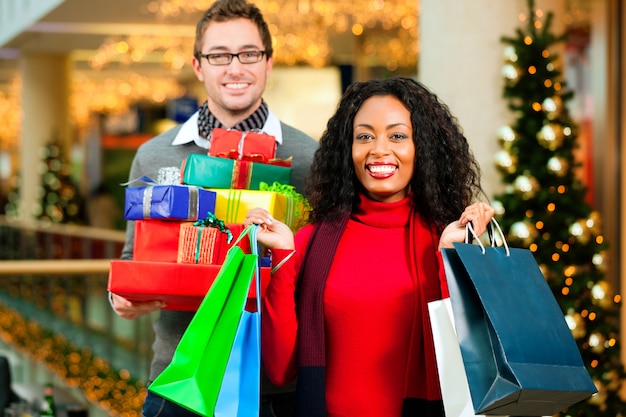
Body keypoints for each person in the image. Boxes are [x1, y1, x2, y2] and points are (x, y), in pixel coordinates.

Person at [110, 1, 318, 416]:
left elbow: (317, 272)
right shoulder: (154, 157)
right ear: (198, 65)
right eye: (220, 55)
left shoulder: (310, 158)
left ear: (268, 62)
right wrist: (124, 295)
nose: (235, 67)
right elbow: (134, 257)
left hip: (274, 388)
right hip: (178, 379)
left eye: (248, 54)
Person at [245, 77, 496, 417]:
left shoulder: (446, 238)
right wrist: (283, 258)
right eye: (364, 136)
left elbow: (471, 363)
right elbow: (279, 370)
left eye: (397, 135)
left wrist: (449, 257)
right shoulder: (309, 242)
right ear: (346, 148)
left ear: (422, 147)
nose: (379, 149)